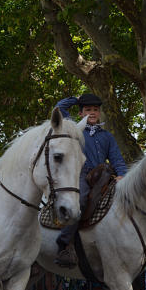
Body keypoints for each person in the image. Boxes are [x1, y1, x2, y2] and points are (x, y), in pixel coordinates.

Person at [54, 94, 127, 266]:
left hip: (103, 177)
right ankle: (64, 244)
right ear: (80, 113)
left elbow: (116, 159)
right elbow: (59, 108)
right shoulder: (74, 129)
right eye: (87, 110)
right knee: (78, 201)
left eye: (95, 110)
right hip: (80, 174)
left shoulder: (107, 136)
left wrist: (122, 174)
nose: (92, 113)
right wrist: (75, 99)